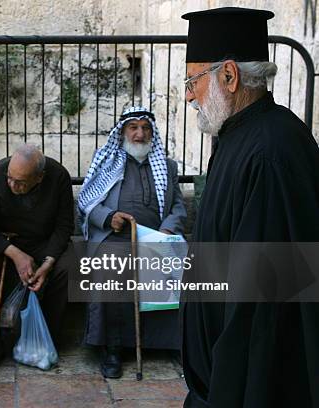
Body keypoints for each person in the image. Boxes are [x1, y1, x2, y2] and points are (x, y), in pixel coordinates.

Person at [180, 7, 319, 407]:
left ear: (229, 75)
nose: (189, 94)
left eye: (193, 80)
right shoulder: (238, 137)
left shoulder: (270, 153)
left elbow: (261, 312)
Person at [77, 106, 187, 378]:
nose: (140, 134)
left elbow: (177, 207)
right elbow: (87, 202)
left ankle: (170, 342)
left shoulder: (167, 166)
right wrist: (108, 217)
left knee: (182, 268)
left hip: (158, 236)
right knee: (113, 268)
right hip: (116, 237)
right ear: (123, 132)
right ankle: (113, 347)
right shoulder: (107, 162)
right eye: (133, 128)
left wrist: (165, 231)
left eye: (145, 128)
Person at [0, 144, 77, 374]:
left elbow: (64, 226)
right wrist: (15, 253)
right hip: (6, 243)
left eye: (20, 182)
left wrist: (48, 263)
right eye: (10, 178)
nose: (12, 185)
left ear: (39, 178)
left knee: (67, 266)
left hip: (43, 242)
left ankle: (45, 337)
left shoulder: (58, 177)